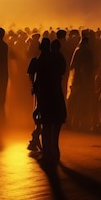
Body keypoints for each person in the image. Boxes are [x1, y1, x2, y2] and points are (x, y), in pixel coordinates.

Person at [27, 38, 67, 167]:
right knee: (54, 124)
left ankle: (47, 151)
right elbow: (62, 71)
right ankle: (53, 150)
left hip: (44, 95)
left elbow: (32, 74)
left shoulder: (38, 60)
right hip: (54, 93)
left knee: (46, 124)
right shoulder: (54, 59)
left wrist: (34, 86)